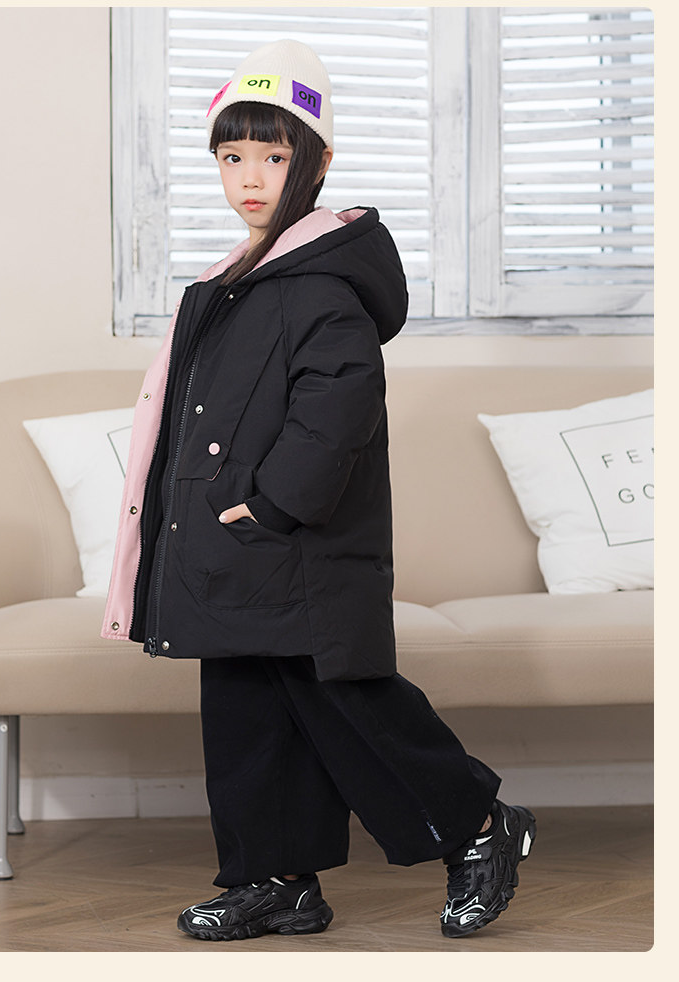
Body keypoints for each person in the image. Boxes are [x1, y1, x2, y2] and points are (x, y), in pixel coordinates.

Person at [102, 39, 536, 942]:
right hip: (234, 543)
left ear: (319, 160)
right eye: (232, 157)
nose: (250, 178)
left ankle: (479, 824)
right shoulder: (238, 279)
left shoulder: (321, 282)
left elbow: (337, 406)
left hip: (294, 542)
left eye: (274, 155)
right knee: (247, 714)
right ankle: (275, 881)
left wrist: (273, 504)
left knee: (344, 699)